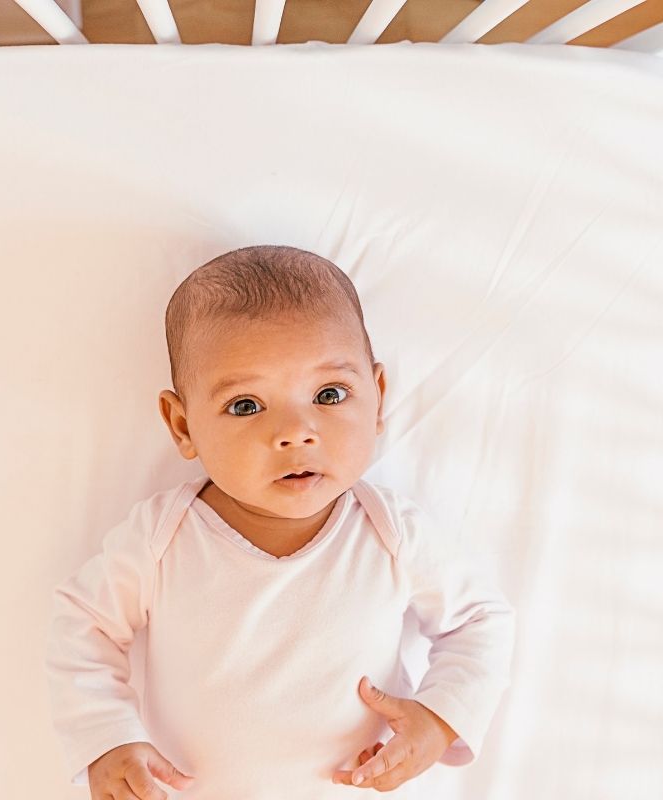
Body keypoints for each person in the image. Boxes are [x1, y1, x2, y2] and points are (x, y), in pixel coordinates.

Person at [44, 245, 517, 799]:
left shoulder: (390, 534)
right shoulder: (163, 537)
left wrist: (440, 719)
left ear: (378, 396)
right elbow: (83, 625)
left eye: (329, 394)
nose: (295, 431)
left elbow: (480, 620)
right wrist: (106, 737)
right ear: (182, 425)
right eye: (246, 405)